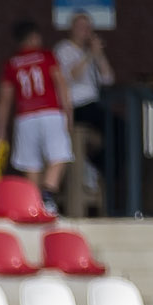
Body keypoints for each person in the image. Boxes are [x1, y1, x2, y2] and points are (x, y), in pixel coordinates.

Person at [0, 19, 71, 213]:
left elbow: (4, 99)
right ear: (34, 37)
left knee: (31, 163)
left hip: (25, 117)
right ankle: (48, 195)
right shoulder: (47, 56)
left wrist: (0, 130)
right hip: (51, 112)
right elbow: (61, 85)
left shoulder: (11, 63)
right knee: (60, 155)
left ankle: (35, 205)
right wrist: (69, 113)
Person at [55, 12, 113, 184]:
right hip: (76, 106)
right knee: (110, 126)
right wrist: (89, 56)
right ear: (72, 29)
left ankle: (101, 170)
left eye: (88, 28)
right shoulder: (63, 49)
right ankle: (93, 167)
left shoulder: (90, 52)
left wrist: (99, 55)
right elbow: (71, 76)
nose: (85, 31)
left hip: (93, 104)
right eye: (81, 27)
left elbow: (108, 79)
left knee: (119, 129)